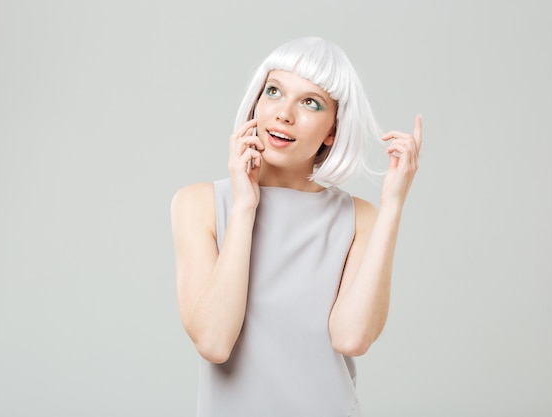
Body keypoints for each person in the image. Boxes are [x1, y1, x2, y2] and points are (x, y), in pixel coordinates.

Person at [170, 36, 422, 417]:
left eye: (310, 102)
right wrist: (244, 207)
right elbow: (214, 342)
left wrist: (393, 205)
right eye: (274, 91)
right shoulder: (198, 203)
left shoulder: (360, 218)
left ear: (332, 131)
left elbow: (352, 337)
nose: (283, 114)